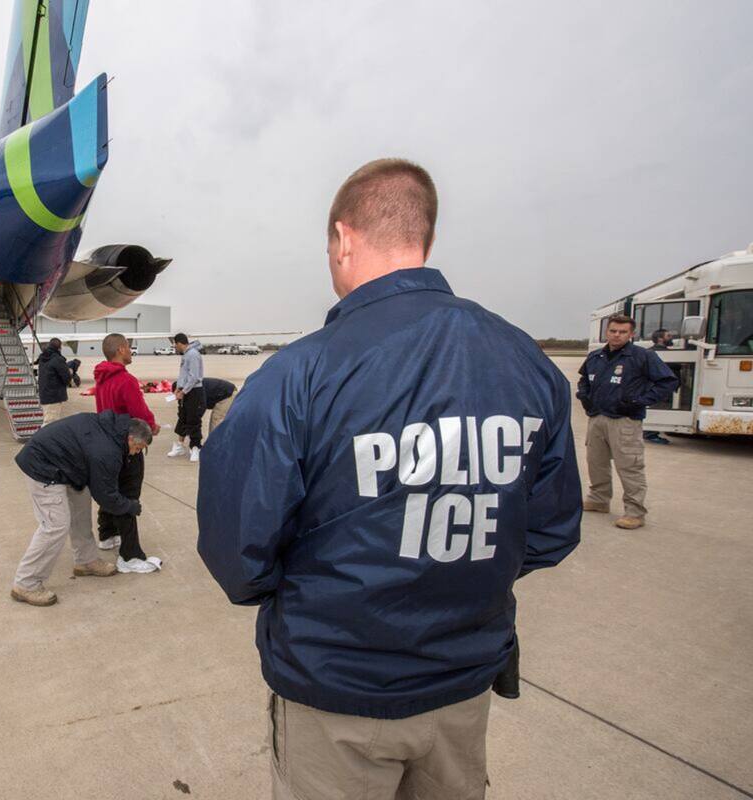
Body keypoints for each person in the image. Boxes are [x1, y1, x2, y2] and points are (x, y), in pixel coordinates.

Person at [197, 158, 582, 800]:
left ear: (344, 239)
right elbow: (549, 532)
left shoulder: (299, 374)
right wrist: (455, 576)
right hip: (463, 683)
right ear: (425, 240)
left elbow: (238, 550)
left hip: (338, 692)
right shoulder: (528, 364)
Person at [11, 412, 152, 606]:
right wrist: (130, 506)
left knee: (81, 509)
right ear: (130, 438)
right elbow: (106, 497)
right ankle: (26, 583)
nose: (136, 453)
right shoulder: (107, 451)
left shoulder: (114, 429)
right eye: (137, 448)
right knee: (55, 526)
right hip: (42, 466)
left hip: (68, 467)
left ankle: (86, 561)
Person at [578, 314, 679, 529]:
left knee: (630, 466)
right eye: (613, 331)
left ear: (631, 334)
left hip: (624, 421)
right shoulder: (596, 356)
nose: (617, 335)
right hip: (597, 418)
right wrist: (585, 398)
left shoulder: (642, 357)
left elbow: (668, 381)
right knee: (596, 462)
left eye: (622, 332)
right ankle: (599, 499)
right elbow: (583, 380)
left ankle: (635, 511)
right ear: (607, 332)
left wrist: (639, 401)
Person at [93, 333, 163, 574]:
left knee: (110, 489)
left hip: (108, 442)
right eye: (129, 348)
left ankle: (107, 533)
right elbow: (139, 412)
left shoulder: (101, 377)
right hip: (129, 443)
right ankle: (130, 555)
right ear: (121, 349)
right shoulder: (125, 380)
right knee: (129, 496)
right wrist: (152, 426)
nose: (131, 352)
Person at [168, 333, 205, 462]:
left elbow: (194, 377)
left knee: (193, 420)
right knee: (183, 418)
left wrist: (184, 391)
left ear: (179, 343)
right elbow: (184, 374)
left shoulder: (193, 354)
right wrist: (179, 387)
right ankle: (180, 446)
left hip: (194, 392)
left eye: (174, 345)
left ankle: (196, 447)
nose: (174, 347)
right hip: (186, 391)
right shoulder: (186, 355)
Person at [35, 338, 80, 423]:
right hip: (53, 396)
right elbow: (66, 377)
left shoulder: (42, 358)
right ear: (59, 348)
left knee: (48, 417)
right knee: (50, 422)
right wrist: (70, 373)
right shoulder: (57, 359)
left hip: (44, 393)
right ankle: (44, 436)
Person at [643, 329, 673, 445]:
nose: (671, 338)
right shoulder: (655, 353)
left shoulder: (650, 351)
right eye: (668, 335)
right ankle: (650, 433)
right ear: (660, 339)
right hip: (658, 387)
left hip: (656, 386)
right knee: (658, 407)